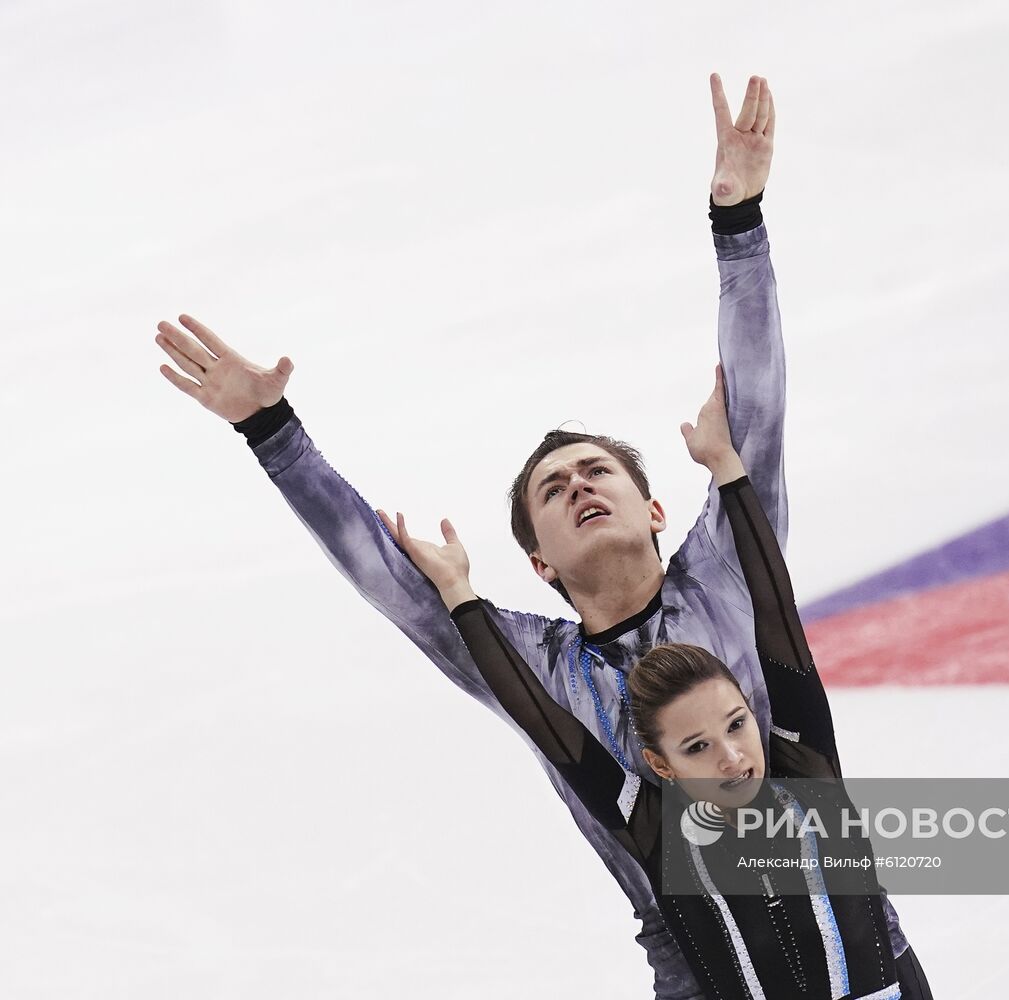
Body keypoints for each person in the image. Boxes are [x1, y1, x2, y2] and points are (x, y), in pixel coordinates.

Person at [154, 73, 911, 997]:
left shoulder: (721, 578)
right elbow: (385, 575)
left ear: (656, 507)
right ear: (539, 561)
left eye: (600, 472)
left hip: (860, 946)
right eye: (556, 489)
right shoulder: (529, 663)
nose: (582, 484)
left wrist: (738, 221)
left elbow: (754, 418)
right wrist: (275, 435)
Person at [409, 367, 933, 999]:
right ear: (658, 764)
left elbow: (775, 614)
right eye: (698, 747)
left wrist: (727, 467)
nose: (732, 754)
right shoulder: (657, 833)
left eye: (737, 724)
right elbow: (549, 729)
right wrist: (461, 600)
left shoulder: (808, 767)